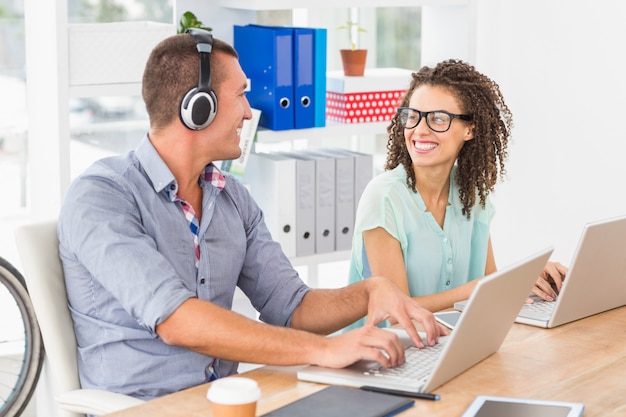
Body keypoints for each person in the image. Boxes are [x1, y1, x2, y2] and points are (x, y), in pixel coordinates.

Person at [57, 30, 443, 401]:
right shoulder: (103, 196)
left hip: (229, 401)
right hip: (147, 408)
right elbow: (177, 321)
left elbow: (292, 308)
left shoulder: (231, 198)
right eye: (241, 94)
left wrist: (370, 290)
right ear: (197, 107)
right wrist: (325, 350)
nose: (248, 112)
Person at [347, 59, 567, 319]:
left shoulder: (471, 194)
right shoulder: (383, 198)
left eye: (438, 119)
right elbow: (396, 313)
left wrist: (530, 280)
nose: (420, 130)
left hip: (451, 344)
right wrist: (477, 290)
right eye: (413, 116)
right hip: (386, 354)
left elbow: (489, 284)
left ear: (470, 129)